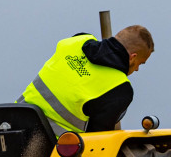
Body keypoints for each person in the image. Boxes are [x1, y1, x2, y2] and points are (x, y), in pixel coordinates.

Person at [17, 25, 154, 133]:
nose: (137, 69)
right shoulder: (120, 88)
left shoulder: (77, 41)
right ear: (133, 57)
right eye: (140, 64)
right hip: (54, 151)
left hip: (13, 121)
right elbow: (98, 140)